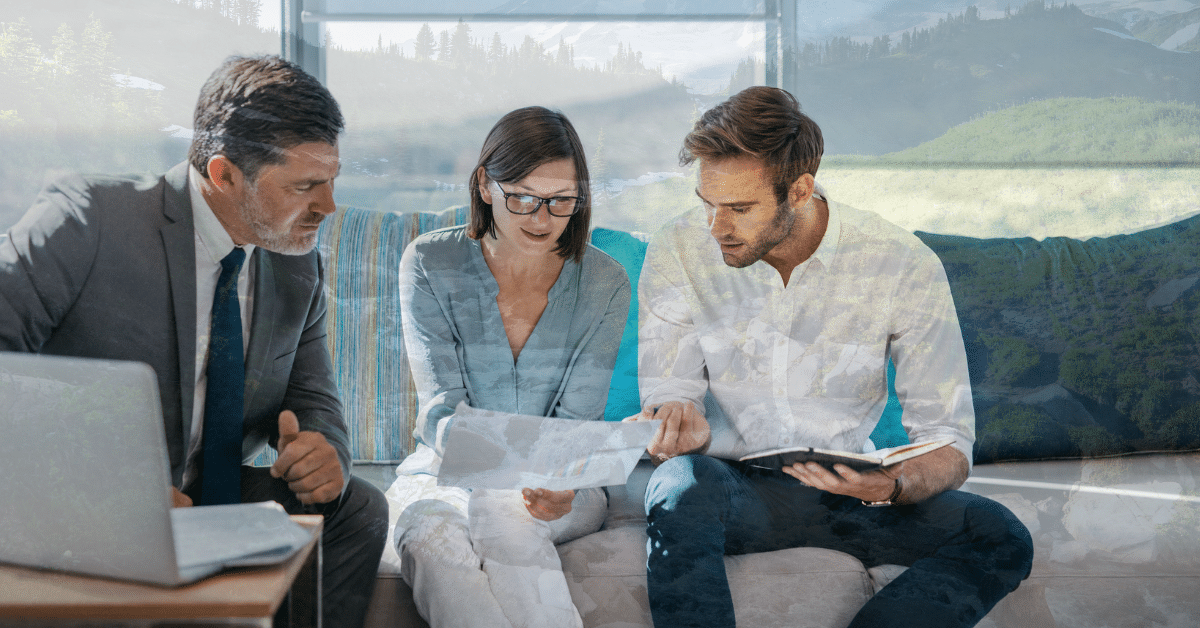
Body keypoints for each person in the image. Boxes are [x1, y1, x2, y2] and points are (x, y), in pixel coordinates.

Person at [0, 55, 388, 628]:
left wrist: (322, 451)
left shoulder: (296, 266)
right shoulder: (87, 219)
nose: (328, 207)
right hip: (80, 501)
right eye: (305, 186)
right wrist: (109, 489)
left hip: (209, 496)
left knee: (356, 509)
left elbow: (313, 397)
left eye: (332, 180)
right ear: (224, 173)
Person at [629, 86, 1034, 628]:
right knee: (679, 487)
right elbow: (671, 395)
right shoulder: (676, 249)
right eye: (708, 204)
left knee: (998, 534)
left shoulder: (900, 264)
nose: (715, 228)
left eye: (739, 208)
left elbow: (949, 439)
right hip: (729, 488)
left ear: (799, 190)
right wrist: (677, 421)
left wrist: (894, 484)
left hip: (849, 495)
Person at [386, 106, 631, 628]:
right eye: (521, 198)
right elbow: (441, 413)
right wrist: (504, 462)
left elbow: (577, 423)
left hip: (562, 483)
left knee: (503, 508)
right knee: (430, 535)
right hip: (443, 471)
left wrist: (559, 478)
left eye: (561, 202)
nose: (542, 220)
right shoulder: (429, 262)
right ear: (484, 185)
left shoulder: (605, 281)